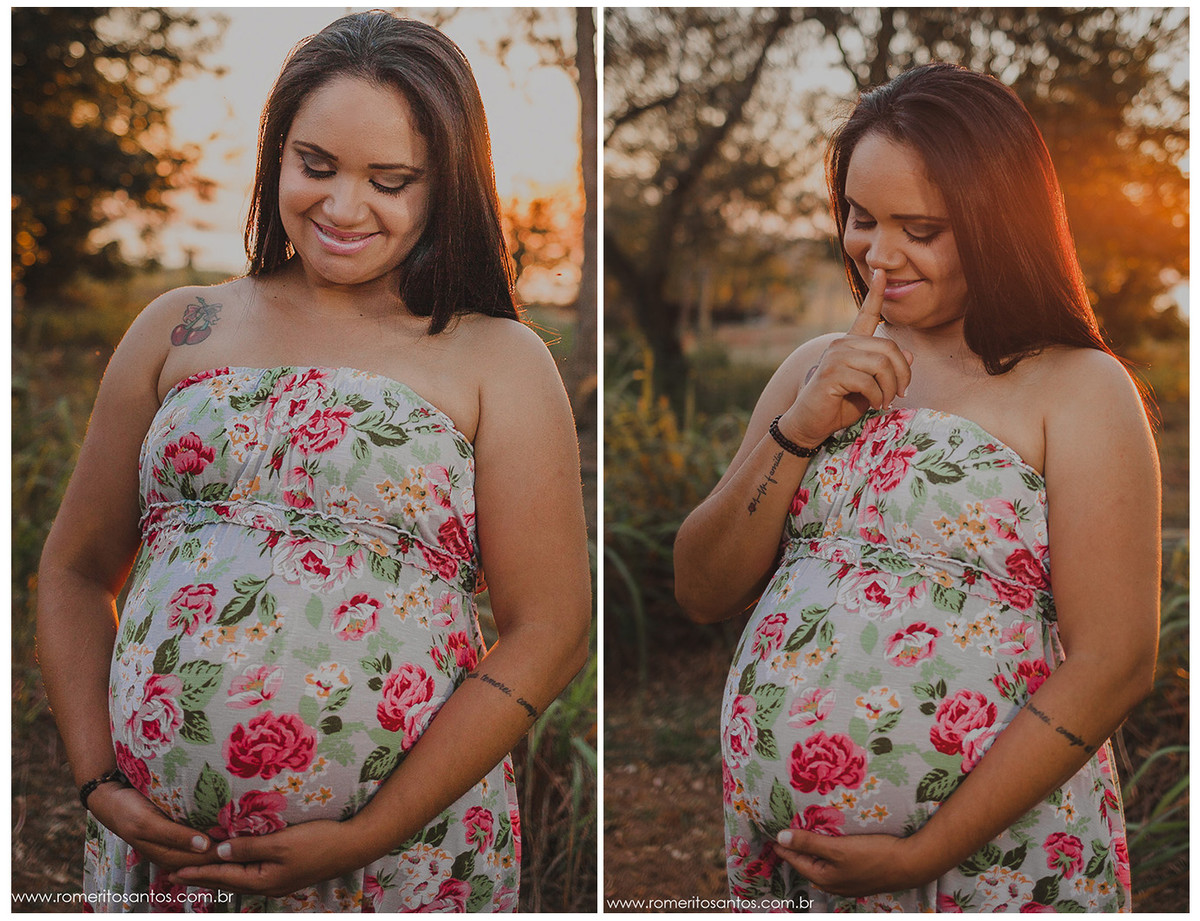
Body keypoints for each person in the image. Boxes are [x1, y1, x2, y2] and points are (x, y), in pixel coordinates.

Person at [37, 11, 591, 912]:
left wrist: (370, 831)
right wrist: (99, 781)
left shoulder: (497, 357)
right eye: (316, 166)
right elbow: (71, 567)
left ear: (447, 184)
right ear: (276, 159)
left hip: (398, 858)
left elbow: (552, 629)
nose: (341, 206)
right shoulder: (182, 326)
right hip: (165, 863)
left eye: (391, 180)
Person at [674, 62, 1159, 912]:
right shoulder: (810, 369)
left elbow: (1115, 663)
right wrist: (802, 423)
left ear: (998, 224)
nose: (878, 254)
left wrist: (923, 852)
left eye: (921, 228)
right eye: (862, 217)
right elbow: (701, 587)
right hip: (797, 872)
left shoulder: (1079, 388)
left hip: (995, 862)